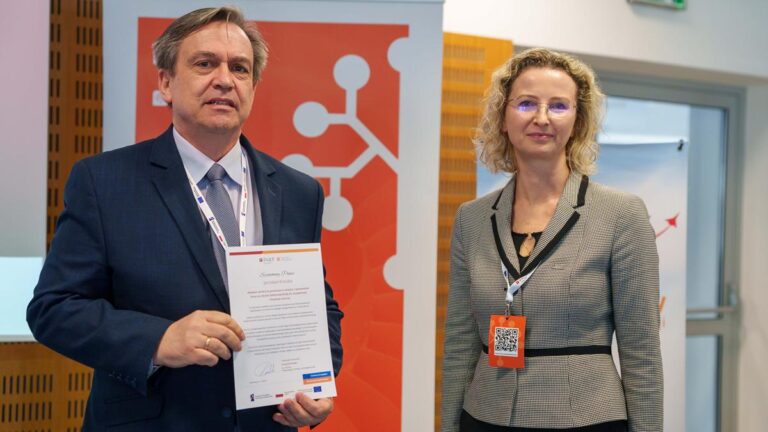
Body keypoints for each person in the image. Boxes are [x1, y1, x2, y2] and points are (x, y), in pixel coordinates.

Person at [27, 7, 342, 431]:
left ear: (253, 87)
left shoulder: (298, 191)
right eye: (205, 64)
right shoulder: (104, 182)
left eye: (240, 68)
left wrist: (319, 383)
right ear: (166, 83)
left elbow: (318, 306)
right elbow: (54, 309)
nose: (225, 80)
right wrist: (158, 340)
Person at [440, 48, 662, 432]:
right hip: (484, 416)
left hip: (585, 420)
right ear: (503, 118)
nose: (542, 118)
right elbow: (460, 343)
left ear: (578, 121)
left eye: (558, 106)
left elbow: (641, 352)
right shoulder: (471, 219)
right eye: (526, 103)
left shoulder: (620, 215)